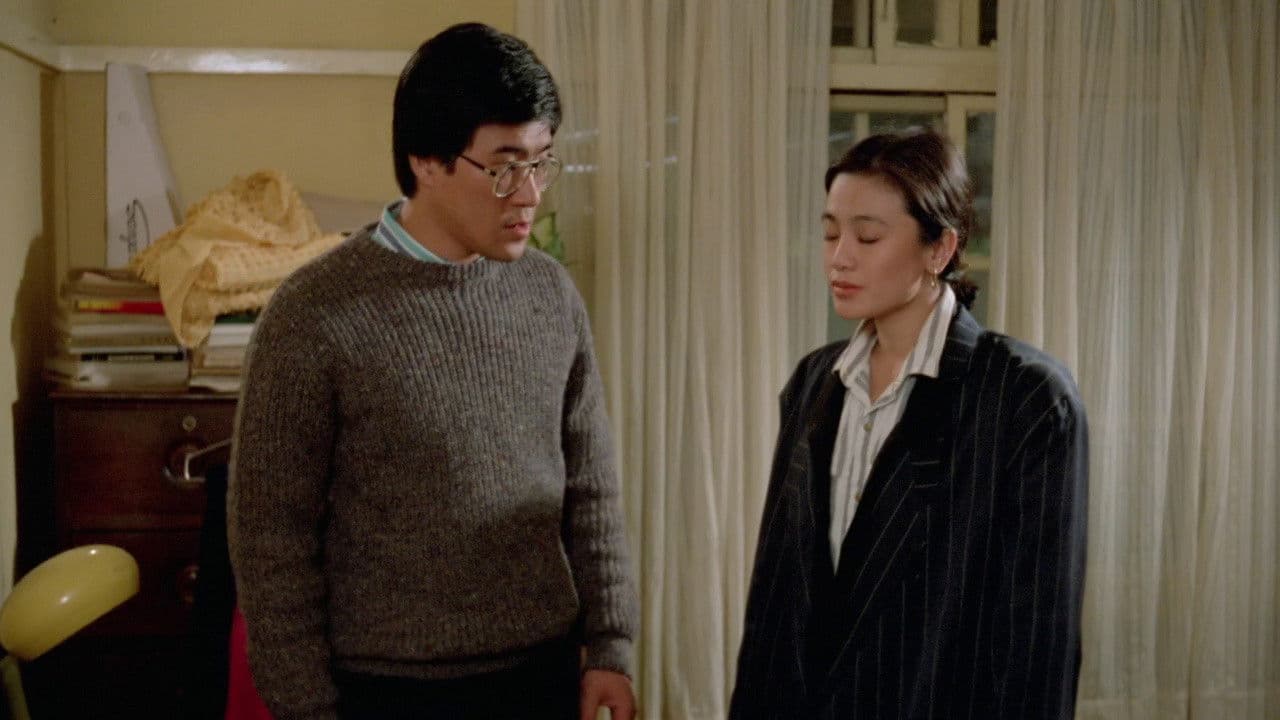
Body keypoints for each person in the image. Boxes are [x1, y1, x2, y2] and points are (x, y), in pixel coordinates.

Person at [228, 23, 638, 720]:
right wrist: (305, 708)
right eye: (505, 166)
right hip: (384, 690)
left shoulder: (550, 294)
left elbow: (591, 488)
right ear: (426, 158)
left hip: (541, 673)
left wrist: (609, 647)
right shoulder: (312, 315)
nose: (529, 194)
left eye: (542, 163)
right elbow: (270, 541)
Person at [730, 128, 1088, 719]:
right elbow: (774, 604)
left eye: (868, 236)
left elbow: (1035, 649)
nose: (840, 256)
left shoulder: (1027, 399)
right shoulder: (813, 382)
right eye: (830, 233)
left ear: (940, 249)